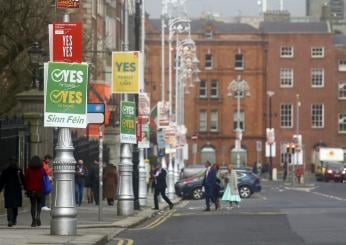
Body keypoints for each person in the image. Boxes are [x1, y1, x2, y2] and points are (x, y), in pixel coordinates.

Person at [0, 157, 25, 227]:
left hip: (8, 190)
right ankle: (14, 219)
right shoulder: (18, 170)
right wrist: (26, 188)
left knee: (9, 205)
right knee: (15, 206)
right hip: (17, 190)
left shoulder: (5, 171)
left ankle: (9, 219)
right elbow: (23, 180)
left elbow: (1, 181)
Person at [25, 155, 45, 227]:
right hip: (40, 189)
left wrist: (26, 188)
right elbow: (45, 177)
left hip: (31, 190)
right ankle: (38, 216)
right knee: (39, 204)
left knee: (33, 205)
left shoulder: (28, 169)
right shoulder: (41, 169)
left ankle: (33, 221)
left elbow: (26, 179)